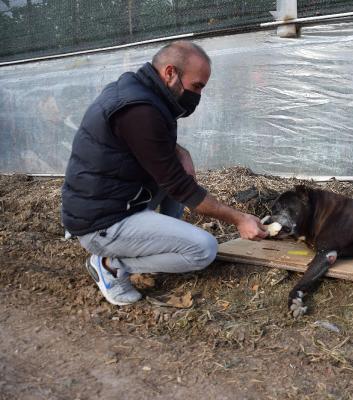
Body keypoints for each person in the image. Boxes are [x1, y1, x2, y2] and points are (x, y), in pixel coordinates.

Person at [61, 40, 268, 306]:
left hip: (115, 198)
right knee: (203, 250)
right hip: (102, 222)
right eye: (196, 86)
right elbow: (183, 188)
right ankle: (110, 264)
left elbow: (149, 143)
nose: (198, 96)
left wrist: (180, 151)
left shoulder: (138, 91)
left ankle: (164, 238)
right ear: (170, 72)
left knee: (174, 168)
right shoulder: (140, 109)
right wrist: (239, 219)